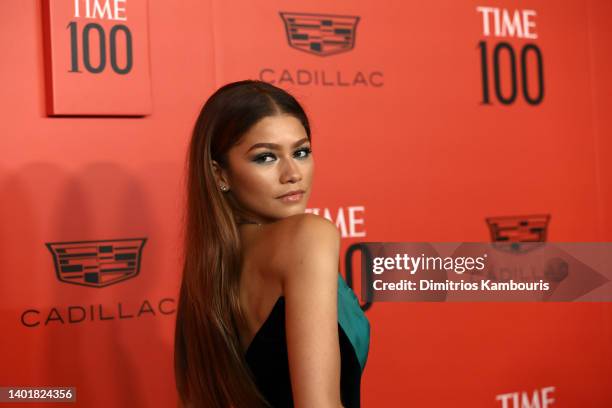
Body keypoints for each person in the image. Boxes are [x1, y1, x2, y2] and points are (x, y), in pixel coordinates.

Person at [174, 80, 370, 408]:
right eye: (265, 157)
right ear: (219, 173)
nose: (292, 173)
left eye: (301, 152)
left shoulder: (208, 271)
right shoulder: (309, 236)